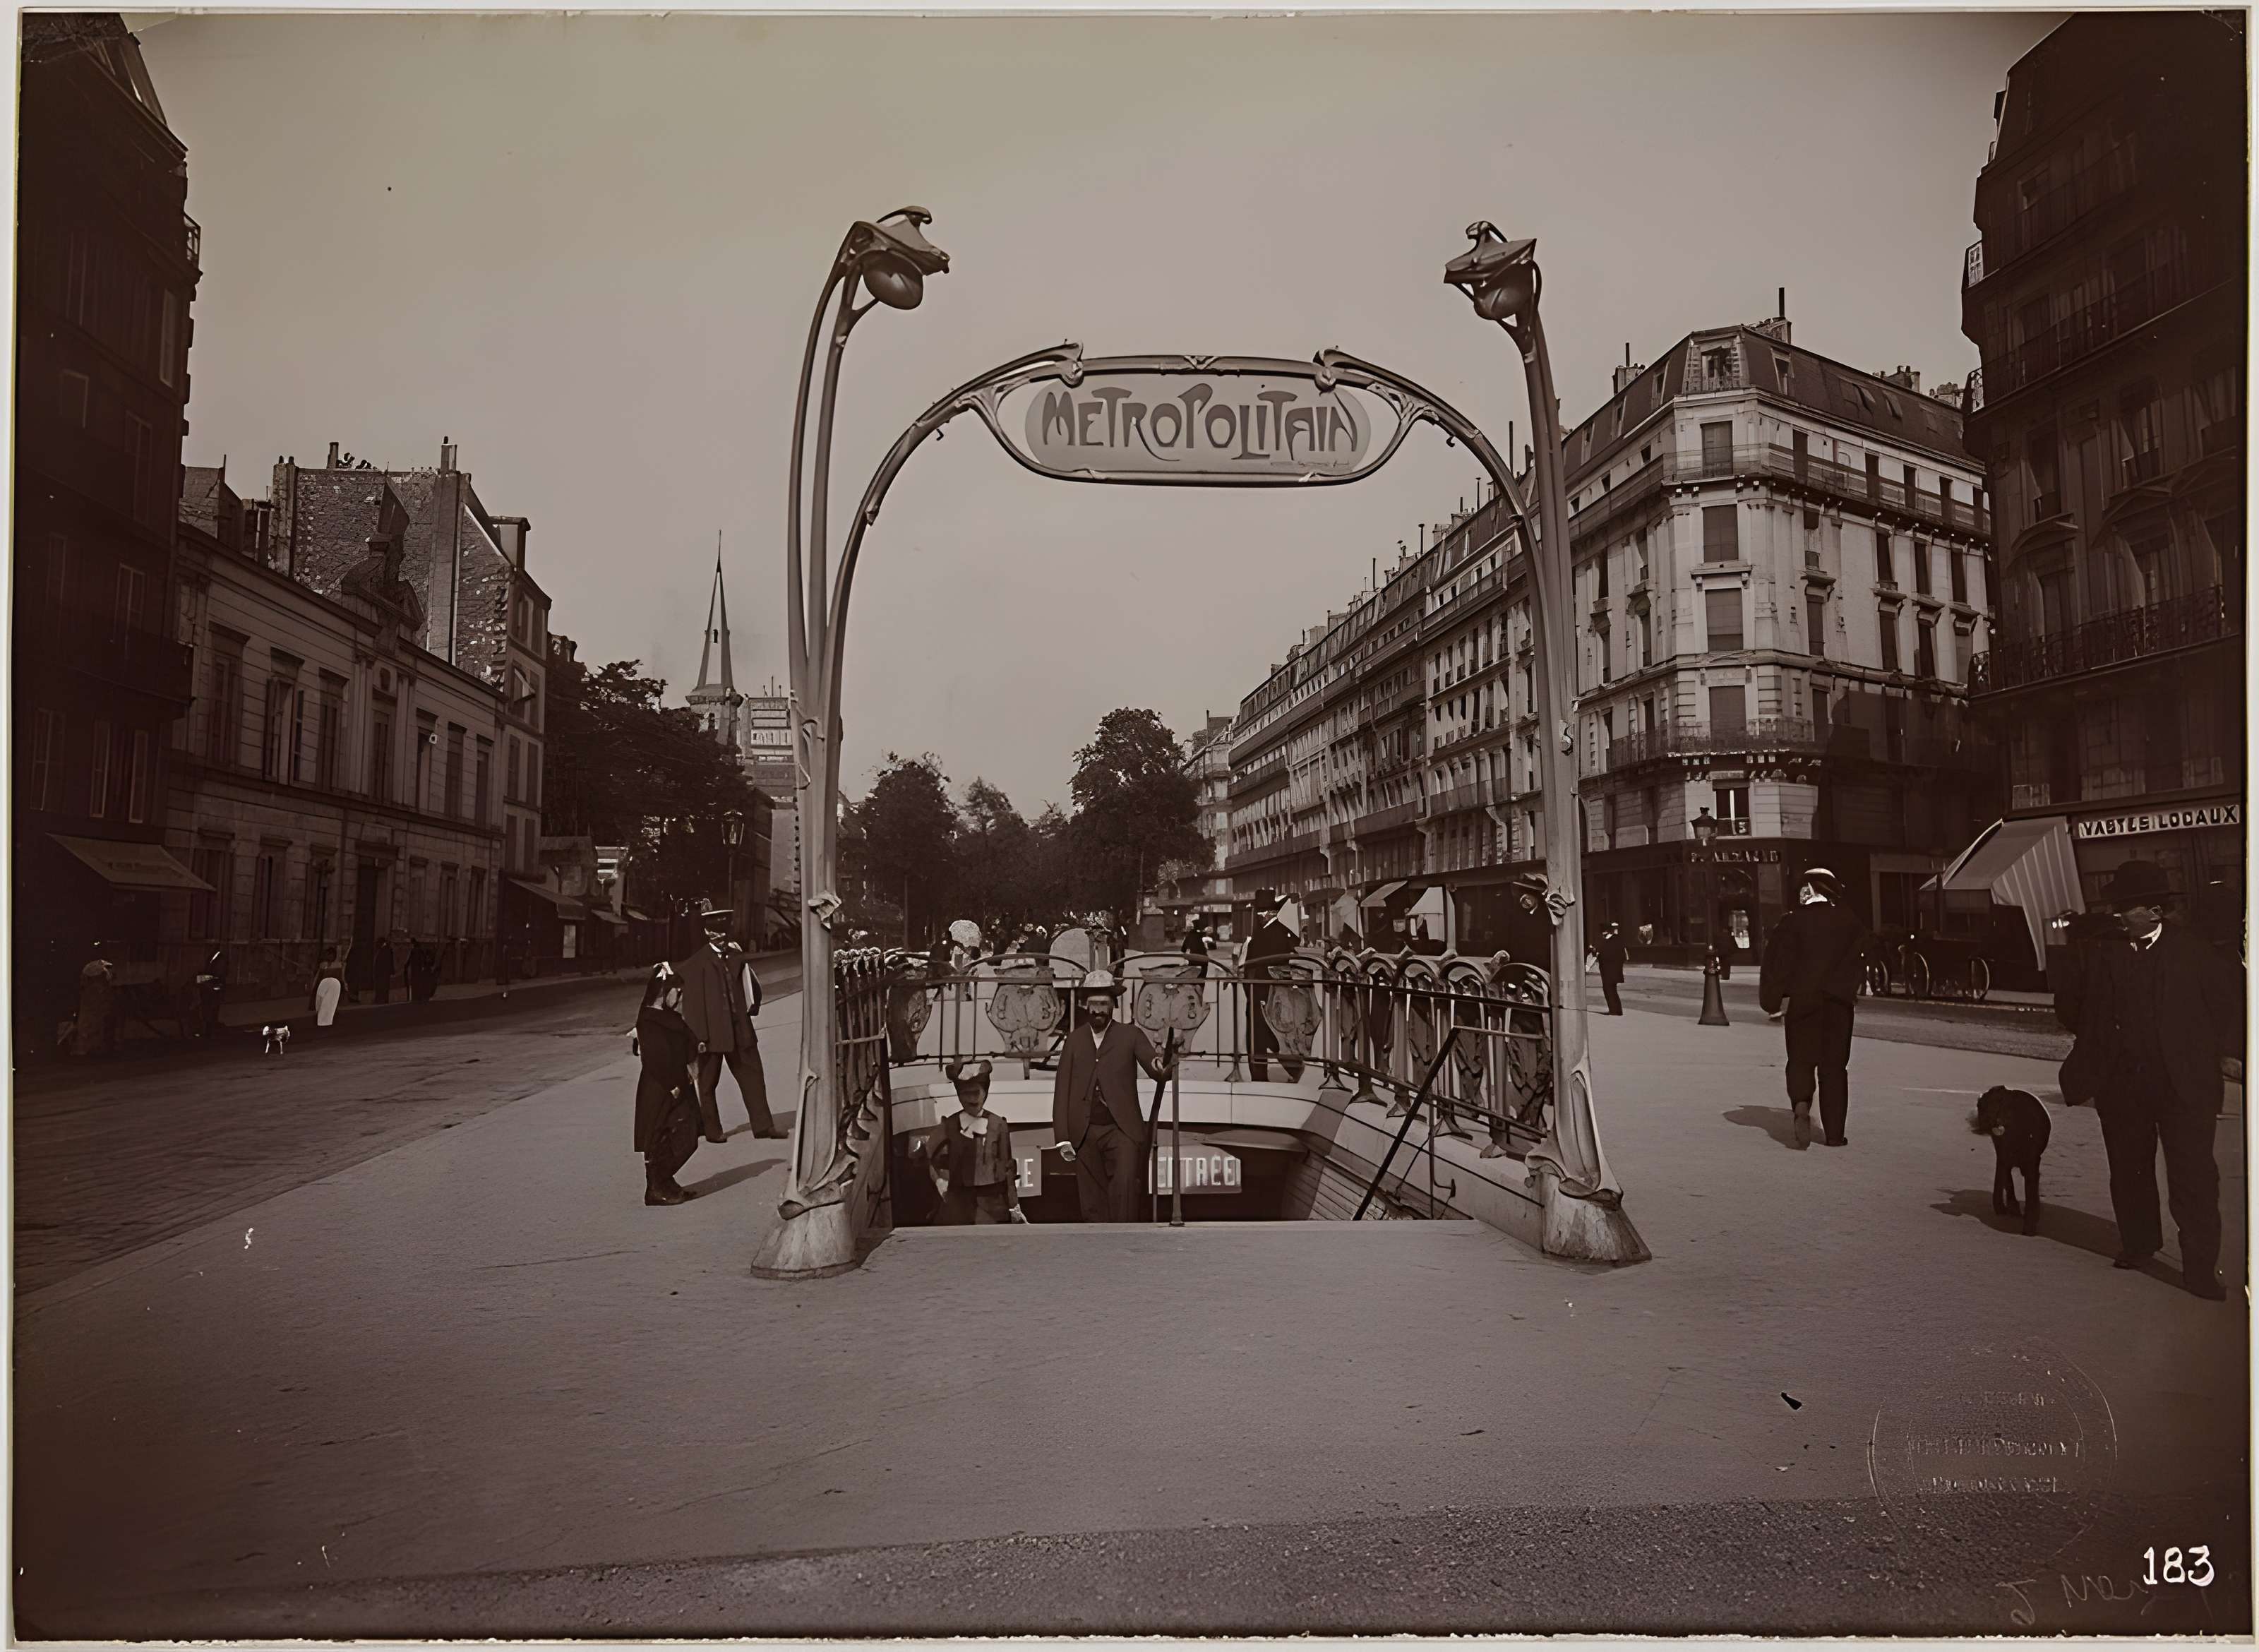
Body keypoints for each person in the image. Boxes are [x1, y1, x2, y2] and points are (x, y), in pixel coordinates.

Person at [2054, 858, 2242, 1298]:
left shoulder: (2198, 954)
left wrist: (2224, 1054)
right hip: (2122, 1085)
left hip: (2183, 1085)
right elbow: (2071, 1007)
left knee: (2193, 1177)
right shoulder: (2100, 951)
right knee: (2130, 1170)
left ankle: (2199, 1267)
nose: (2117, 914)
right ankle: (2139, 1246)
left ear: (2154, 912)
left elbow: (2228, 1009)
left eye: (2126, 907)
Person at [1756, 867, 1870, 1147]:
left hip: (1803, 1002)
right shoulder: (1850, 922)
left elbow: (1777, 965)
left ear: (1809, 890)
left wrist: (1772, 1000)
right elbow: (1861, 958)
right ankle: (1833, 1135)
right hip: (1838, 1005)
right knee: (1835, 1068)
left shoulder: (1792, 923)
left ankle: (1801, 1105)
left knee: (1801, 1061)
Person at [1052, 971, 1175, 1221]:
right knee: (1091, 1199)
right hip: (1084, 1131)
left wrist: (1162, 1067)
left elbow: (1154, 1066)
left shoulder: (1131, 1036)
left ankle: (1124, 1241)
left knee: (1125, 1188)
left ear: (1113, 1006)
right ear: (1086, 1006)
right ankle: (1097, 1250)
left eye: (1104, 1005)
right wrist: (1063, 1137)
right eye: (1094, 1004)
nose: (1099, 1011)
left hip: (1122, 1130)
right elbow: (1061, 1088)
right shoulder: (1074, 1040)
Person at [678, 908, 781, 1142]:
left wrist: (739, 960)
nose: (721, 939)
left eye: (724, 934)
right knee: (707, 1084)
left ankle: (764, 1126)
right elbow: (692, 1006)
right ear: (706, 933)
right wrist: (700, 1038)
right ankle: (713, 1131)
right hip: (711, 1035)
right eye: (716, 934)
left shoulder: (736, 957)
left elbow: (751, 989)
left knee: (753, 1077)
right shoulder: (696, 964)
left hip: (740, 1030)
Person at [632, 963, 704, 1206]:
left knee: (687, 1132)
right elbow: (654, 1057)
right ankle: (656, 1187)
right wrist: (672, 1085)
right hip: (661, 1090)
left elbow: (687, 1040)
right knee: (662, 1137)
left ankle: (664, 1181)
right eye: (678, 992)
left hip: (676, 1086)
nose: (681, 997)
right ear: (664, 993)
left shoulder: (668, 1017)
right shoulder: (649, 1021)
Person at [931, 1059, 1026, 1225]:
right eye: (966, 1093)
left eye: (976, 1092)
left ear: (985, 1092)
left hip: (992, 1205)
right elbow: (929, 1157)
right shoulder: (950, 1125)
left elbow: (1008, 1168)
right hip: (958, 1205)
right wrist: (939, 1181)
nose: (972, 1099)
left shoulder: (998, 1124)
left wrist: (1014, 1206)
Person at [1242, 890, 1300, 1082]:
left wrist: (1248, 991)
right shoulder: (1283, 932)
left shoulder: (1262, 935)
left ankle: (1262, 1075)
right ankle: (1292, 1067)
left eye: (1260, 912)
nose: (1258, 916)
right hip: (1274, 992)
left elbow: (1252, 966)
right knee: (1272, 1033)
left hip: (1260, 991)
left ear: (1268, 914)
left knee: (1259, 1036)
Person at [72, 943, 117, 1058]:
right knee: (89, 1025)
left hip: (95, 1004)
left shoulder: (95, 971)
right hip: (93, 1003)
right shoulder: (95, 971)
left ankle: (91, 1048)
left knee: (92, 1025)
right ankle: (87, 1048)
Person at [1593, 923, 1629, 1017]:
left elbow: (1603, 954)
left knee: (1609, 990)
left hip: (1608, 971)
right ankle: (1617, 1010)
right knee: (1613, 990)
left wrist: (1596, 951)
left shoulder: (1608, 942)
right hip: (1616, 970)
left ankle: (1614, 1010)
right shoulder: (1618, 941)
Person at [193, 945, 229, 1039]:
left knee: (211, 1009)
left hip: (212, 987)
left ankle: (208, 1031)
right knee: (209, 1009)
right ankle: (207, 1030)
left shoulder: (218, 958)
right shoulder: (214, 958)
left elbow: (218, 975)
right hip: (210, 987)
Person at [312, 952, 346, 1029]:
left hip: (330, 985)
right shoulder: (326, 966)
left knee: (327, 1002)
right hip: (327, 984)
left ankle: (325, 1020)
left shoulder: (334, 966)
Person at [371, 935, 395, 1005]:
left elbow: (384, 962)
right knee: (384, 986)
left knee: (381, 986)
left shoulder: (384, 950)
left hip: (382, 972)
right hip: (384, 972)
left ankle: (380, 999)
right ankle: (383, 999)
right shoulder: (386, 950)